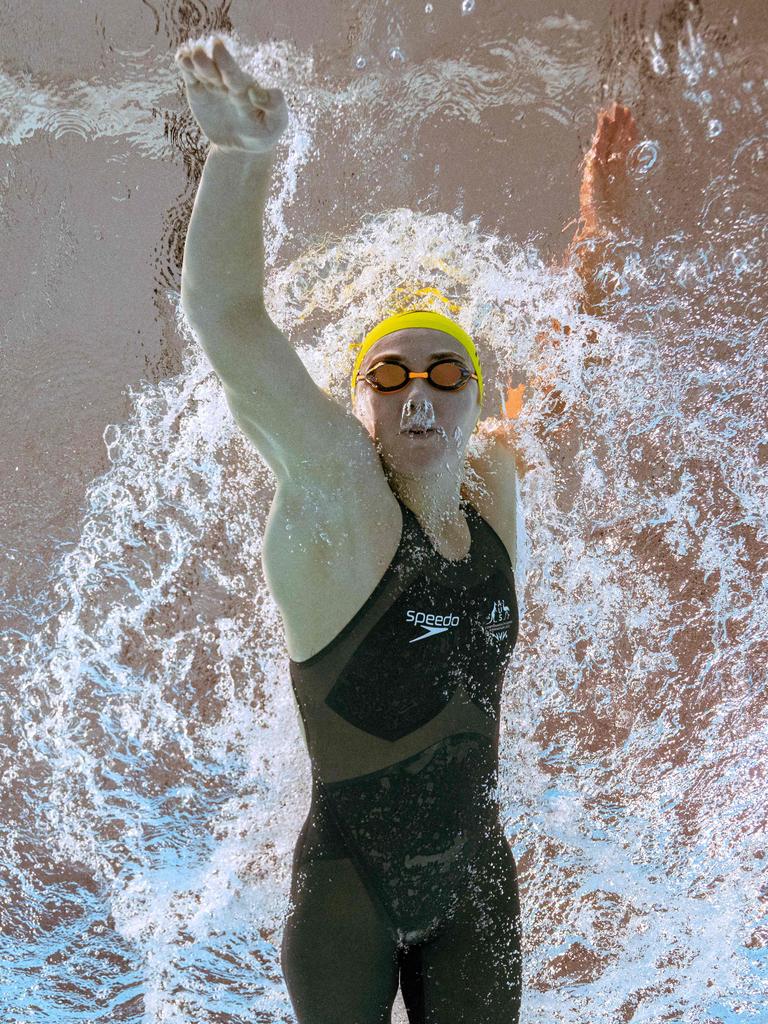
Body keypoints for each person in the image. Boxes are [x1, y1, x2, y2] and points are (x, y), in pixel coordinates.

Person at [175, 33, 636, 1024]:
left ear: (472, 398)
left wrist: (600, 216)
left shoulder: (494, 482)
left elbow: (565, 361)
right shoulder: (337, 497)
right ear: (361, 402)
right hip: (351, 896)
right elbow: (227, 315)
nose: (416, 397)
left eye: (442, 375)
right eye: (389, 377)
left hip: (478, 892)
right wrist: (244, 158)